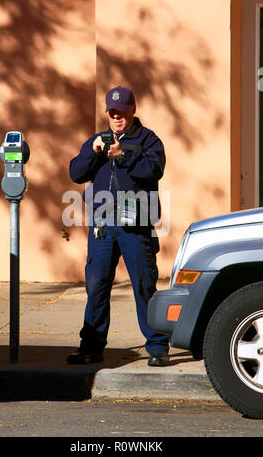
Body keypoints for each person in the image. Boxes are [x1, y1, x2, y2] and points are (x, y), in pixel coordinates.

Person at [67, 85, 169, 366]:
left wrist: (123, 155)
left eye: (121, 112)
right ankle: (91, 348)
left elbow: (154, 170)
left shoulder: (149, 140)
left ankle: (158, 346)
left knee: (143, 284)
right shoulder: (96, 141)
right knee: (96, 285)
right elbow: (76, 172)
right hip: (103, 226)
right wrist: (94, 153)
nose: (116, 117)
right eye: (112, 113)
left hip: (136, 225)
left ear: (133, 110)